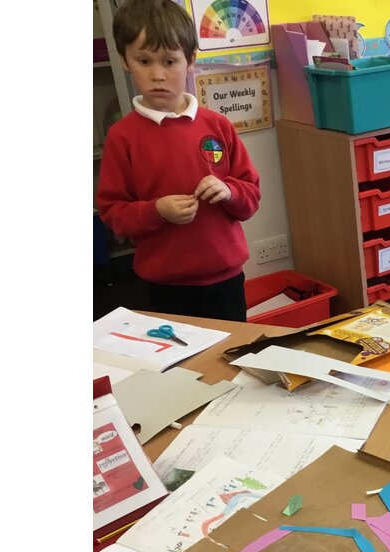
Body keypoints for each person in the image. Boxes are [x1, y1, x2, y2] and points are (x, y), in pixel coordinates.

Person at [96, 0, 260, 322]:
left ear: (190, 61)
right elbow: (114, 214)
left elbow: (251, 196)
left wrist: (229, 191)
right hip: (165, 286)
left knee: (233, 351)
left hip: (226, 279)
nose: (157, 75)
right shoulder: (122, 137)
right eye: (144, 61)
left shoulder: (218, 125)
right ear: (125, 61)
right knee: (179, 355)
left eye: (169, 61)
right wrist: (156, 210)